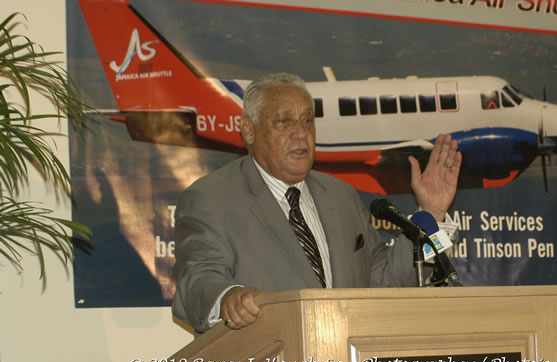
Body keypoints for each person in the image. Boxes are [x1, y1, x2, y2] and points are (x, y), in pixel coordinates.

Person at [172, 73, 461, 333]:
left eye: (307, 120)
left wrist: (432, 213)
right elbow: (197, 280)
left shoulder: (341, 196)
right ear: (249, 130)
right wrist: (228, 298)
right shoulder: (212, 198)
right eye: (284, 122)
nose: (301, 133)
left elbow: (386, 283)